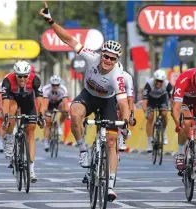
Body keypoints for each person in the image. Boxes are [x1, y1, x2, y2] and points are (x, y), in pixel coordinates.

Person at [39, 2, 130, 202]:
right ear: (101, 54)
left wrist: (125, 122)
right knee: (75, 113)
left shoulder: (118, 76)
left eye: (112, 59)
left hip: (107, 102)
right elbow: (68, 39)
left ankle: (111, 185)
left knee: (112, 142)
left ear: (116, 61)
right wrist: (50, 21)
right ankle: (82, 149)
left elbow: (123, 104)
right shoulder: (91, 57)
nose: (107, 60)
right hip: (88, 96)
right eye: (106, 56)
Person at [1, 60, 45, 183]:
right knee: (12, 111)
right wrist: (6, 117)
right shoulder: (7, 81)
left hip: (28, 102)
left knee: (31, 130)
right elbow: (5, 103)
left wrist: (41, 115)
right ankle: (9, 138)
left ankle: (31, 169)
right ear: (15, 74)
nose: (22, 79)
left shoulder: (35, 79)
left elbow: (40, 101)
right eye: (19, 76)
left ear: (28, 74)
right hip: (13, 100)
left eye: (25, 76)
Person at [142, 69, 172, 152]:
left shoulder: (167, 84)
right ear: (154, 79)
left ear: (164, 81)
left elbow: (172, 99)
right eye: (157, 81)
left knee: (164, 113)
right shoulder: (149, 84)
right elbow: (144, 102)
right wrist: (146, 112)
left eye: (161, 81)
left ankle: (164, 133)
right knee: (150, 117)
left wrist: (173, 109)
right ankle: (149, 142)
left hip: (162, 99)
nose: (158, 83)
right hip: (151, 100)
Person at [42, 75, 69, 151]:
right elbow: (44, 105)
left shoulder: (63, 89)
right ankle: (46, 142)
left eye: (57, 85)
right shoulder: (46, 89)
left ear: (59, 84)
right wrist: (45, 113)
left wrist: (66, 112)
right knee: (48, 122)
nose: (55, 87)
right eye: (53, 85)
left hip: (59, 103)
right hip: (49, 103)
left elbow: (65, 102)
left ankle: (59, 125)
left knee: (64, 108)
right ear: (51, 84)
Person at [117, 70, 135, 151]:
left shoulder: (127, 77)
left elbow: (130, 98)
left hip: (122, 96)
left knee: (123, 108)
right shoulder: (108, 74)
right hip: (110, 95)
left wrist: (131, 115)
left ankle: (123, 133)